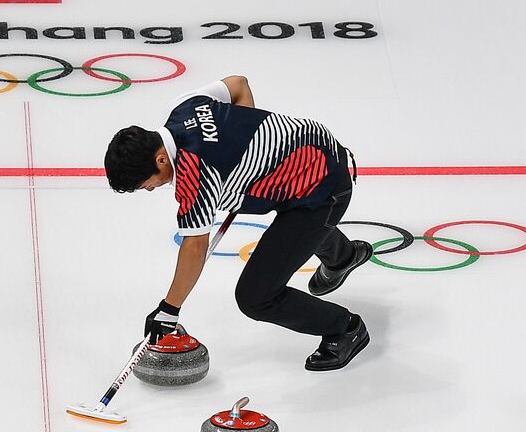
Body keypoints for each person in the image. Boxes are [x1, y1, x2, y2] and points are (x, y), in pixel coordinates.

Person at [104, 75, 372, 370]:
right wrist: (249, 149)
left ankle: (344, 328)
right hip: (314, 151)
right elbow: (238, 85)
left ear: (160, 160)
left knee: (255, 296)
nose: (153, 189)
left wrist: (169, 308)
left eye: (148, 184)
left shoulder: (196, 174)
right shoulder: (183, 106)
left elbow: (194, 247)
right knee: (275, 210)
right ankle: (343, 257)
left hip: (323, 189)